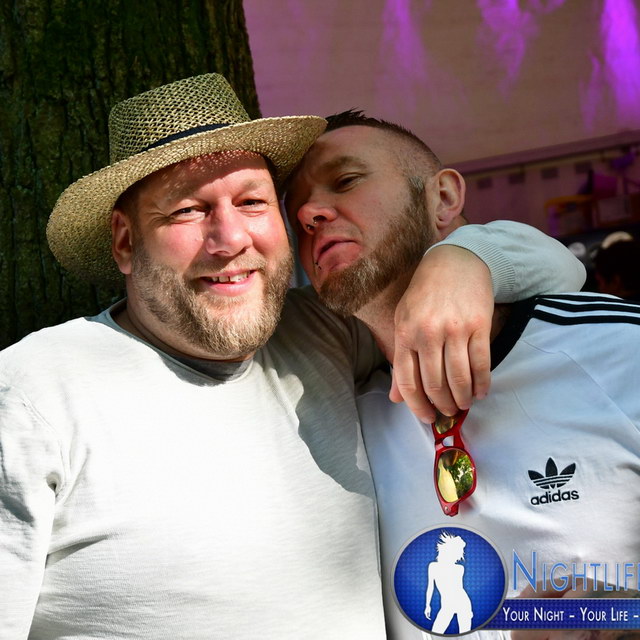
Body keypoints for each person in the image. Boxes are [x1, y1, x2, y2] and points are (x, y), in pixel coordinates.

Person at [0, 76, 583, 639]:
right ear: (126, 242)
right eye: (187, 211)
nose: (231, 239)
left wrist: (464, 259)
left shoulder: (322, 332)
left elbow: (562, 269)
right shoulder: (34, 392)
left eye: (253, 202)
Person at [285, 110, 640, 639]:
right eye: (295, 210)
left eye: (347, 180)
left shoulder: (621, 352)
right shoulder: (340, 422)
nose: (309, 212)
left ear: (445, 199)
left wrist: (612, 618)